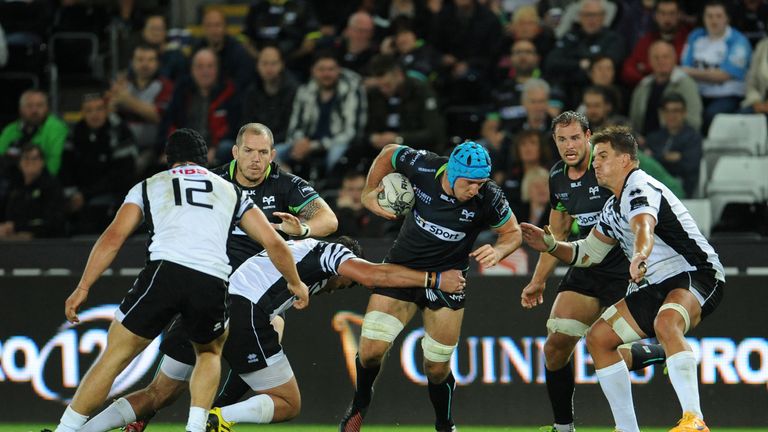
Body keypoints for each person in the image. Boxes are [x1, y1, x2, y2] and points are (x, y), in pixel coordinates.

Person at [51, 128, 308, 432]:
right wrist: (295, 282)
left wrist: (83, 287)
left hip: (164, 273)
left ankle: (66, 430)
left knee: (114, 356)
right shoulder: (229, 190)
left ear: (168, 159)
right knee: (209, 353)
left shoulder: (151, 185)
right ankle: (195, 427)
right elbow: (274, 242)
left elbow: (113, 239)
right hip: (211, 281)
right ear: (206, 158)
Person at [77, 236, 467, 432]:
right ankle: (217, 419)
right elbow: (374, 275)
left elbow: (264, 335)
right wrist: (433, 278)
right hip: (243, 309)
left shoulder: (297, 252)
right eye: (341, 286)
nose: (336, 290)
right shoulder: (332, 255)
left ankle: (78, 431)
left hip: (207, 302)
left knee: (157, 394)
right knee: (288, 402)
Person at [120, 122, 339, 432]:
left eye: (263, 153)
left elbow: (328, 219)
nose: (256, 159)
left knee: (272, 331)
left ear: (273, 155)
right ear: (236, 152)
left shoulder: (286, 185)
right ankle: (144, 416)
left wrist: (303, 230)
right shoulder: (214, 181)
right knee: (166, 388)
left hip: (254, 296)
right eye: (249, 151)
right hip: (209, 288)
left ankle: (217, 413)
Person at [521, 125, 725, 432]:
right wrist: (551, 245)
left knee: (666, 323)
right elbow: (589, 253)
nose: (596, 163)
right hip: (656, 285)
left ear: (626, 160)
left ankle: (694, 421)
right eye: (595, 158)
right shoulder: (611, 207)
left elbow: (644, 225)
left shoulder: (639, 187)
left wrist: (641, 254)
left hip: (696, 273)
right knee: (599, 339)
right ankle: (627, 429)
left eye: (603, 156)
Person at [339, 141, 522, 432]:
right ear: (451, 172)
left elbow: (513, 232)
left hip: (448, 281)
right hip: (401, 270)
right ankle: (360, 403)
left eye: (481, 182)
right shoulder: (424, 166)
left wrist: (500, 251)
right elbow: (389, 152)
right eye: (470, 183)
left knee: (436, 367)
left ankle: (444, 424)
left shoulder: (489, 196)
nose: (475, 189)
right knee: (371, 350)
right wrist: (367, 192)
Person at [520, 112, 664, 432]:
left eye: (575, 138)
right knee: (555, 346)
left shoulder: (607, 168)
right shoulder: (557, 176)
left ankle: (659, 350)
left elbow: (644, 209)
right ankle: (564, 428)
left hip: (622, 269)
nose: (569, 146)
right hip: (585, 266)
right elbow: (556, 233)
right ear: (554, 142)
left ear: (588, 136)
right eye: (561, 139)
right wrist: (538, 280)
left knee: (611, 352)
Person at [680, 0, 752, 133]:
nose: (714, 21)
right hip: (697, 93)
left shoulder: (738, 40)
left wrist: (693, 72)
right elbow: (684, 67)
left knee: (711, 115)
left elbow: (724, 75)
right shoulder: (695, 36)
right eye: (709, 16)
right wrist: (706, 73)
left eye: (718, 16)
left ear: (727, 18)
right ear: (704, 18)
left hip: (727, 94)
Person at [0, 144, 66, 239]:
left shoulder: (51, 186)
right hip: (11, 237)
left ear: (42, 162)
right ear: (20, 163)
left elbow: (53, 222)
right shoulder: (15, 186)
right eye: (26, 158)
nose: (30, 162)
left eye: (34, 158)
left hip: (44, 242)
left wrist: (16, 227)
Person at [645, 93, 703, 198]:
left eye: (676, 111)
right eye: (667, 111)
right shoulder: (653, 138)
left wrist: (658, 158)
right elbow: (648, 164)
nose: (671, 115)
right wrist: (668, 157)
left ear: (684, 113)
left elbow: (690, 166)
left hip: (682, 190)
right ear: (662, 114)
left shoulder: (693, 138)